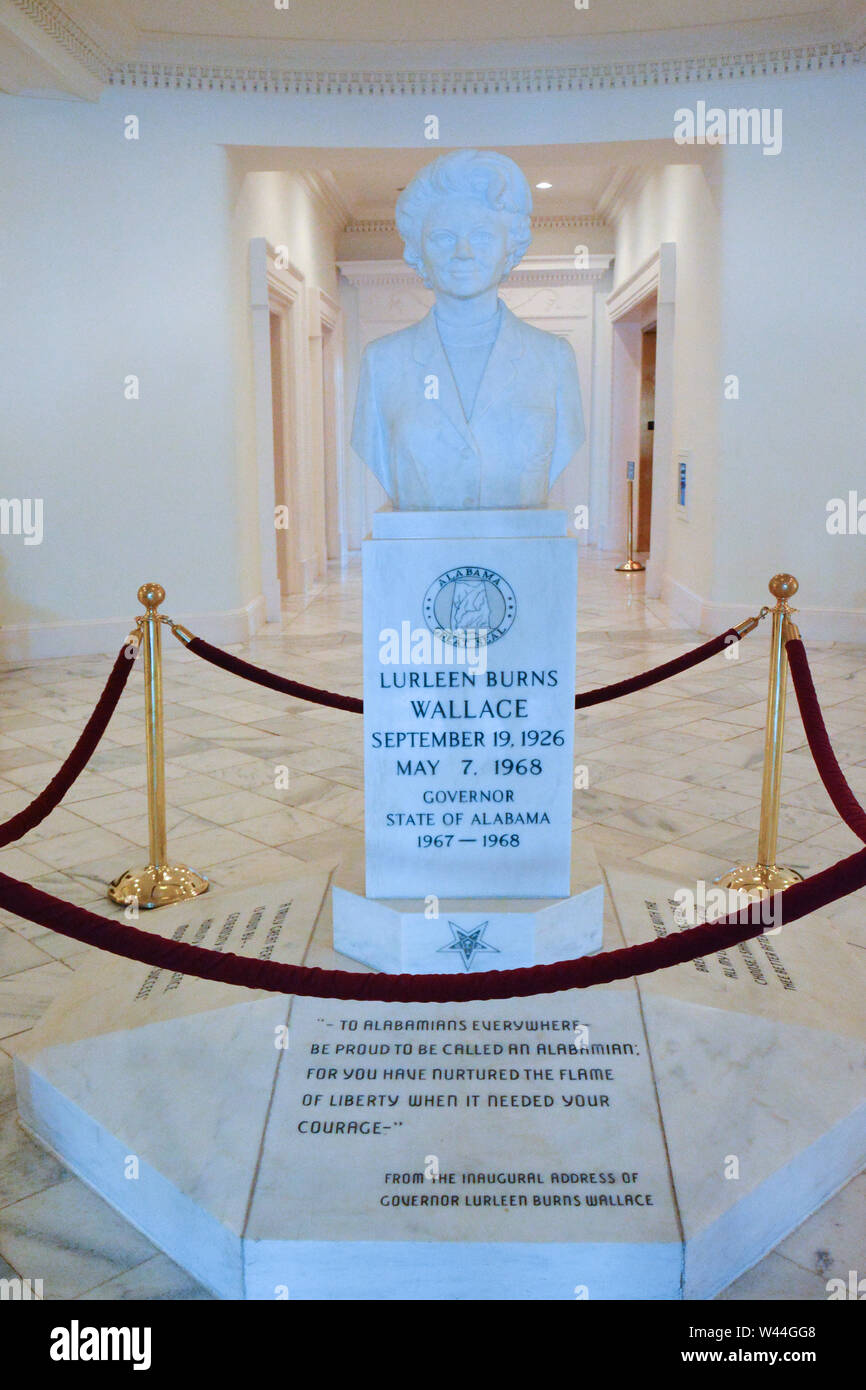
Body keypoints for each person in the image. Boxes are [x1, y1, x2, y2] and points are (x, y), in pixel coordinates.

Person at [352, 149, 585, 510]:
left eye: (481, 236)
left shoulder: (553, 358)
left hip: (521, 553)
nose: (463, 252)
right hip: (419, 553)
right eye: (443, 238)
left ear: (510, 248)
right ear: (418, 251)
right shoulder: (382, 361)